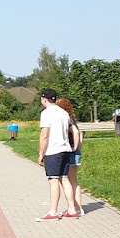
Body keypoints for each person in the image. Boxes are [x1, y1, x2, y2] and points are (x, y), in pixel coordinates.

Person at [36, 88, 76, 221]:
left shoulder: (46, 113)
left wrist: (41, 153)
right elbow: (72, 130)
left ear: (44, 99)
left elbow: (45, 135)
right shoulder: (64, 113)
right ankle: (71, 209)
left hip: (53, 150)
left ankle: (53, 212)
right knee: (64, 179)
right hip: (65, 149)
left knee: (53, 180)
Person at [56, 98, 84, 217]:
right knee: (74, 181)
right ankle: (76, 207)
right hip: (75, 152)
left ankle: (76, 208)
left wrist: (74, 148)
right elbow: (80, 134)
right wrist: (78, 148)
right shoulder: (72, 119)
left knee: (69, 180)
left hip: (70, 152)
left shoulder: (66, 120)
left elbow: (77, 133)